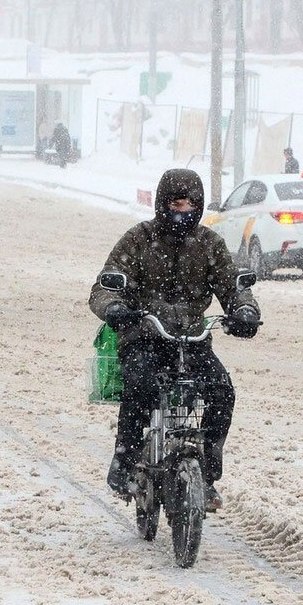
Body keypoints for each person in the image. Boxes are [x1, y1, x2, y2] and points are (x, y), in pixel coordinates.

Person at [88, 168, 261, 512]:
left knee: (221, 391)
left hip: (193, 340)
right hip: (144, 336)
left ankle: (208, 475)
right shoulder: (138, 239)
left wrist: (244, 311)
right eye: (175, 204)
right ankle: (124, 461)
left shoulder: (209, 244)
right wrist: (117, 308)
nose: (182, 211)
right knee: (140, 385)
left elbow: (233, 288)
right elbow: (104, 289)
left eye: (189, 204)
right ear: (161, 204)